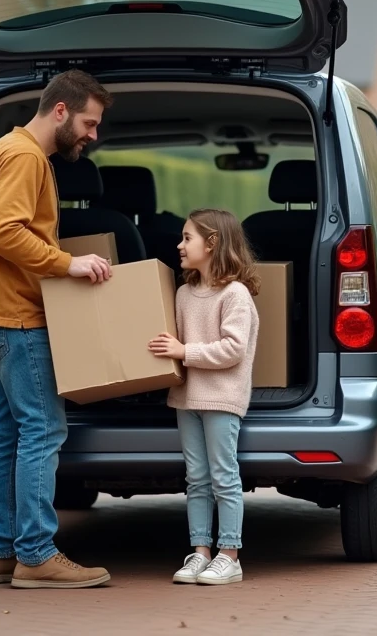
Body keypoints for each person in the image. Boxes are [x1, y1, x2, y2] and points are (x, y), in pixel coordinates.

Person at [0, 69, 115, 590]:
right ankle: (36, 554)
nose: (93, 135)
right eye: (89, 123)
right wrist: (65, 264)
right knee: (44, 430)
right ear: (62, 110)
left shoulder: (8, 149)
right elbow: (4, 231)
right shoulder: (25, 157)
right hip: (17, 316)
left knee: (6, 431)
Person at [148, 208, 260, 586]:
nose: (179, 245)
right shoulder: (182, 293)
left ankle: (230, 555)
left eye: (187, 238)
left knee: (224, 477)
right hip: (187, 400)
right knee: (196, 478)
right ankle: (200, 552)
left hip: (221, 400)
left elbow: (233, 350)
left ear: (212, 244)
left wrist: (184, 351)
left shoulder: (235, 295)